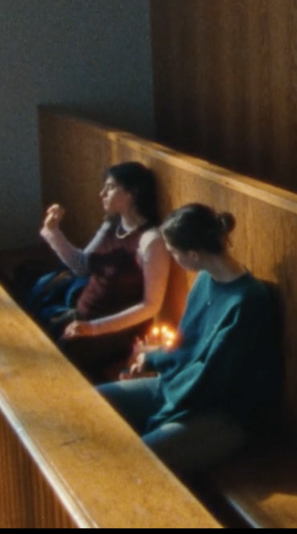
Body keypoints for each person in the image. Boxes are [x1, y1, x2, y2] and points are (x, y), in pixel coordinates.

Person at [97, 203, 282, 477]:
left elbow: (212, 374)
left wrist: (161, 386)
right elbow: (186, 345)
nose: (172, 258)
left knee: (138, 464)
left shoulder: (247, 300)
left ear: (193, 254)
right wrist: (149, 357)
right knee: (93, 404)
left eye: (173, 252)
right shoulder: (205, 279)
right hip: (182, 387)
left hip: (220, 412)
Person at [29, 162, 171, 381]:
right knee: (30, 341)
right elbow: (82, 266)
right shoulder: (112, 225)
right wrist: (53, 231)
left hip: (115, 332)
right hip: (83, 318)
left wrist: (94, 329)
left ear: (132, 193)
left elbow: (151, 305)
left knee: (51, 371)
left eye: (110, 187)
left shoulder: (150, 240)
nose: (102, 193)